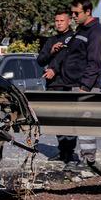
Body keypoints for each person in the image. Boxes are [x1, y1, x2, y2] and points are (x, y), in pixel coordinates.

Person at [43, 0, 101, 172]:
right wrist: (55, 69)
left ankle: (89, 161)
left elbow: (95, 62)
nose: (74, 16)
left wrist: (84, 87)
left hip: (83, 85)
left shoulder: (96, 32)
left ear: (88, 11)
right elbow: (67, 55)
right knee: (71, 123)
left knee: (84, 123)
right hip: (70, 84)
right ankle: (71, 156)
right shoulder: (80, 30)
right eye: (72, 13)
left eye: (76, 13)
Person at [37, 8, 77, 162]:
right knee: (57, 119)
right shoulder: (51, 40)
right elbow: (40, 60)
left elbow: (71, 61)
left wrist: (54, 69)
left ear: (69, 21)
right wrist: (51, 52)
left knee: (69, 119)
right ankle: (62, 151)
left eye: (62, 21)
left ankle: (69, 152)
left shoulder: (73, 39)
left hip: (68, 84)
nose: (59, 24)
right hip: (53, 85)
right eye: (57, 21)